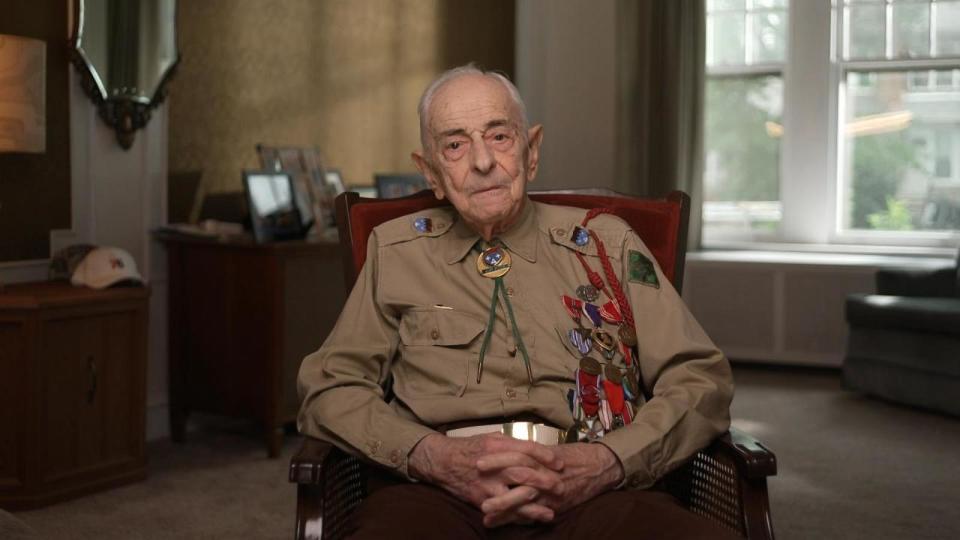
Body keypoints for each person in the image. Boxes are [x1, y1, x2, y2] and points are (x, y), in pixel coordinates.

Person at [297, 64, 738, 539]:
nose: (483, 161)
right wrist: (430, 455)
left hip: (596, 488)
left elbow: (700, 379)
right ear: (431, 173)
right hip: (437, 494)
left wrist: (606, 462)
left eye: (499, 136)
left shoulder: (606, 243)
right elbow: (330, 388)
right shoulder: (397, 250)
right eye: (455, 144)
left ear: (531, 152)